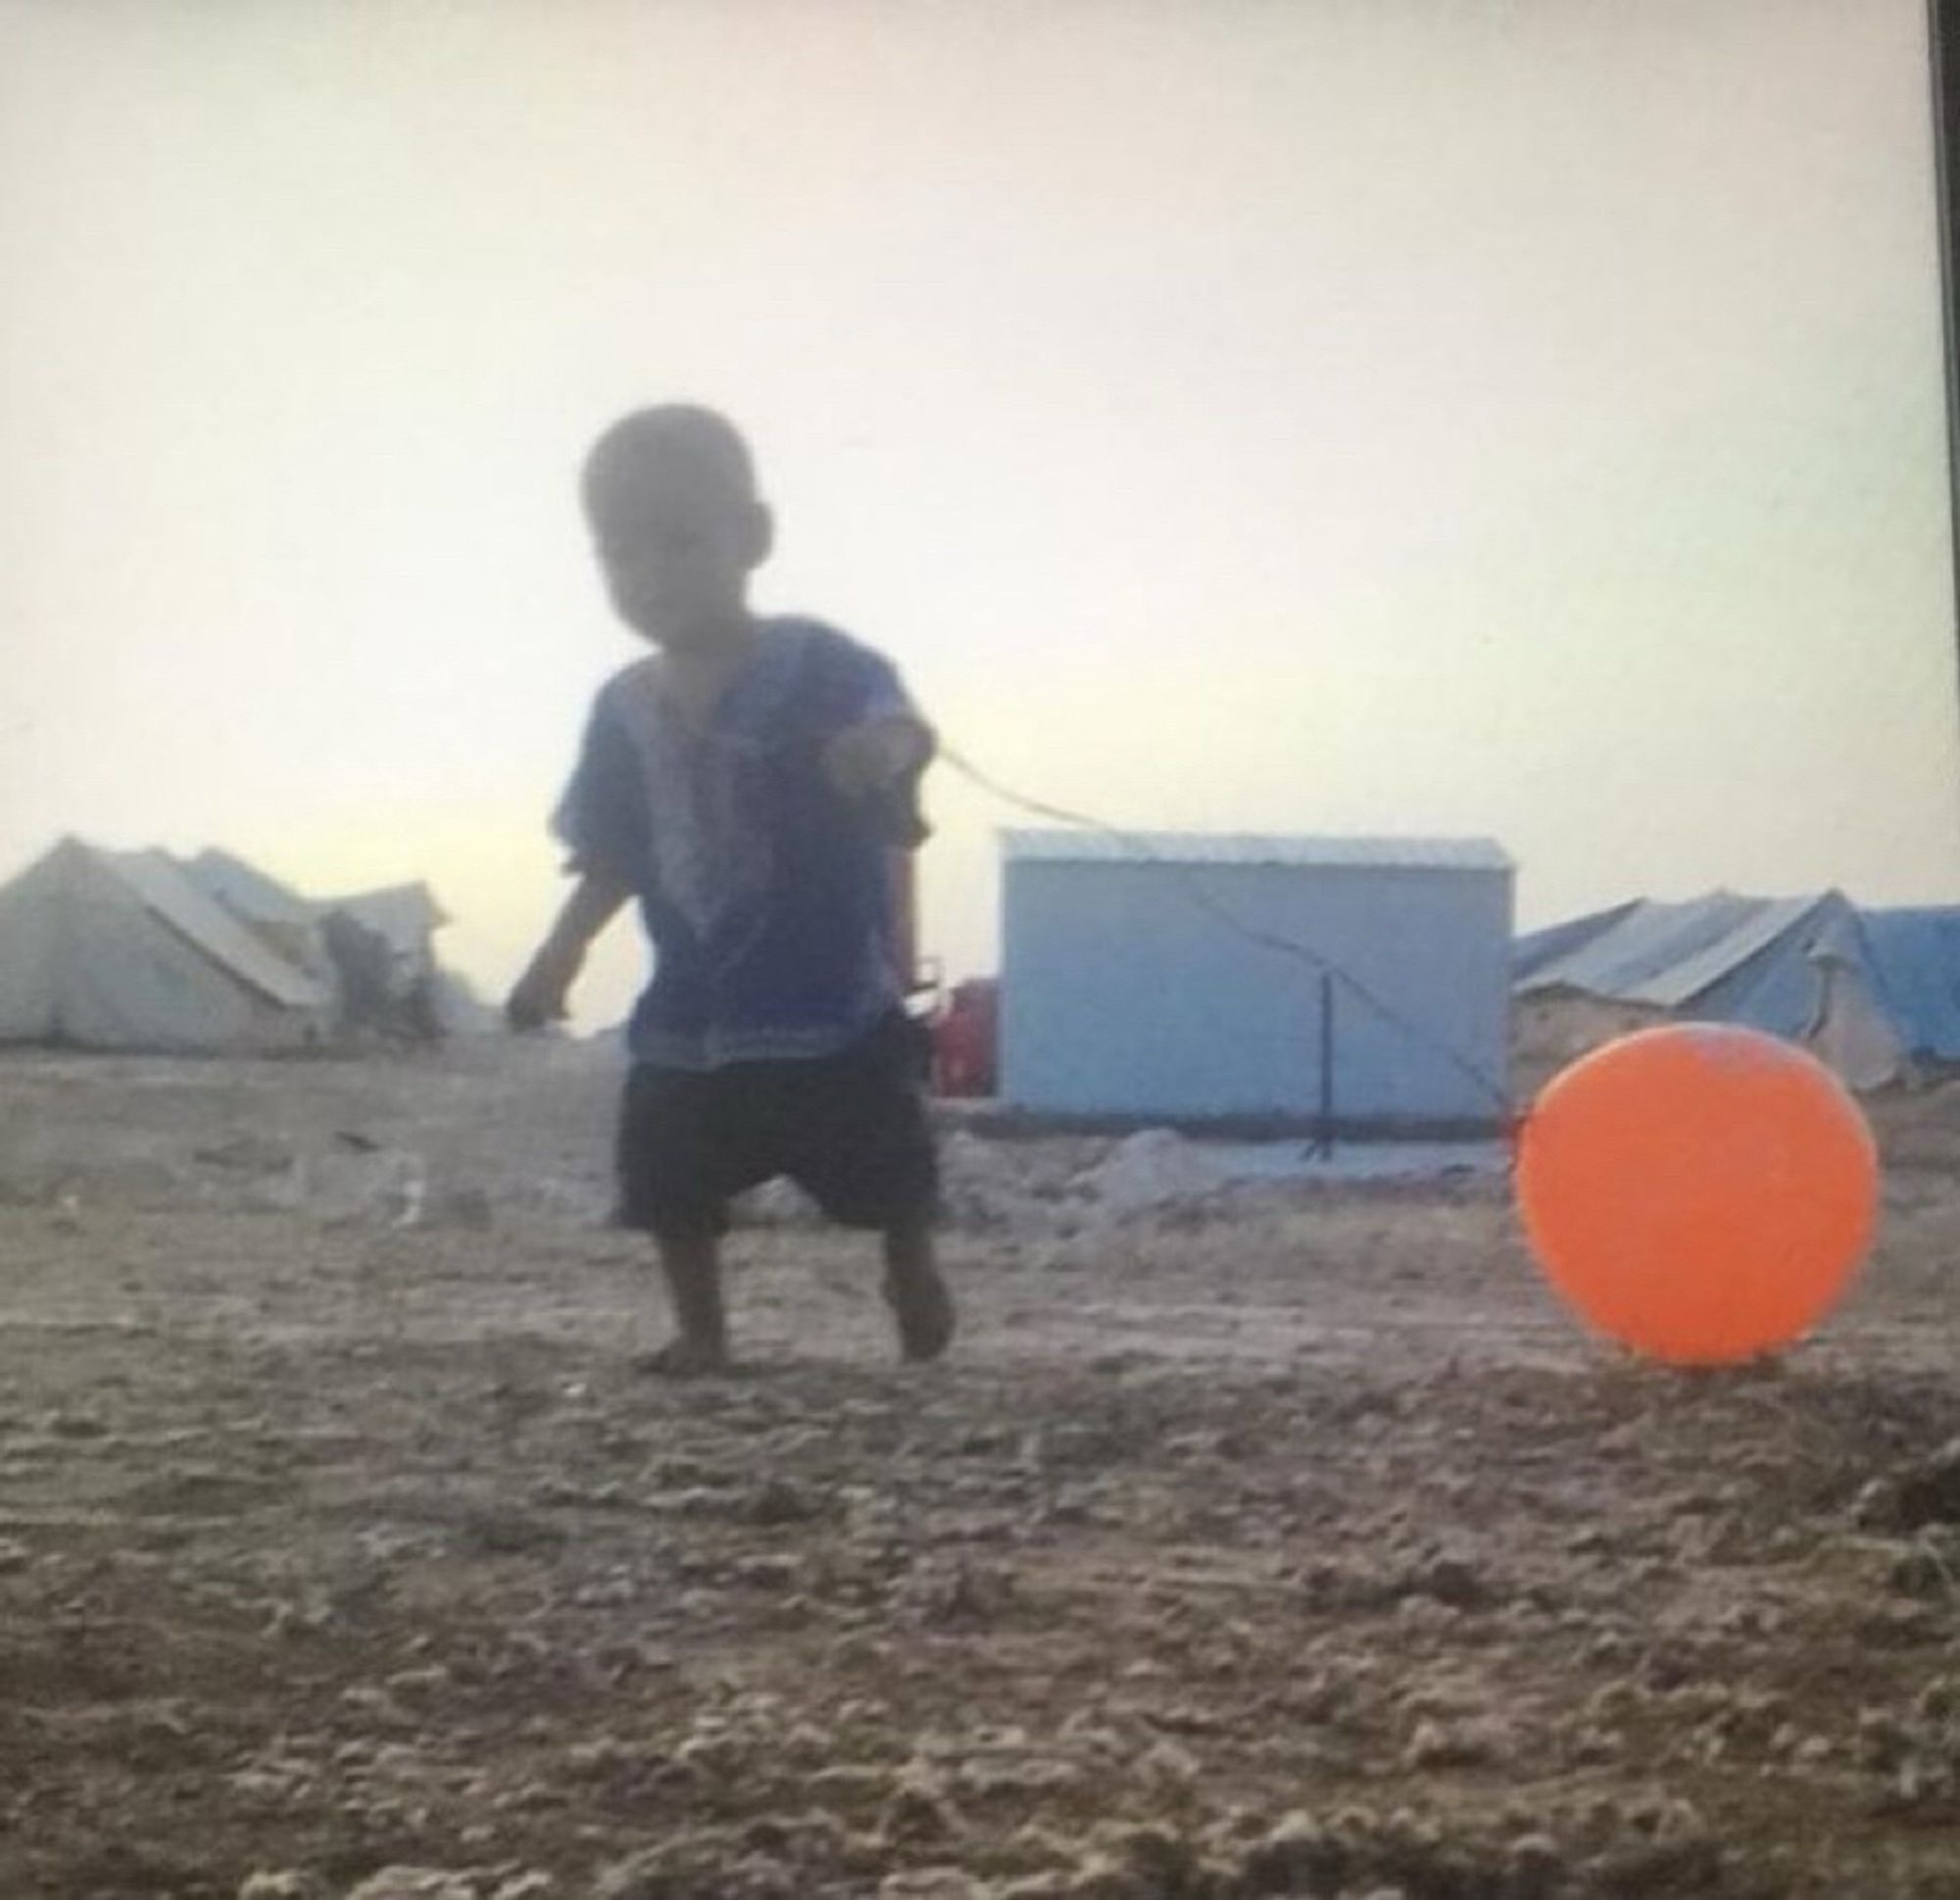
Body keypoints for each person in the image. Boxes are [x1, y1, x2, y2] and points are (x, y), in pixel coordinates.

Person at [506, 405, 953, 1373]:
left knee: (881, 1152)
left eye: (679, 543)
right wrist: (559, 952)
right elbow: (612, 848)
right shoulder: (622, 708)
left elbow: (904, 724)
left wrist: (873, 751)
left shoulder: (818, 663)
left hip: (824, 990)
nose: (652, 575)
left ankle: (908, 1266)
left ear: (751, 538)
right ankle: (700, 1330)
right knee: (665, 1153)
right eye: (621, 554)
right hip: (695, 1005)